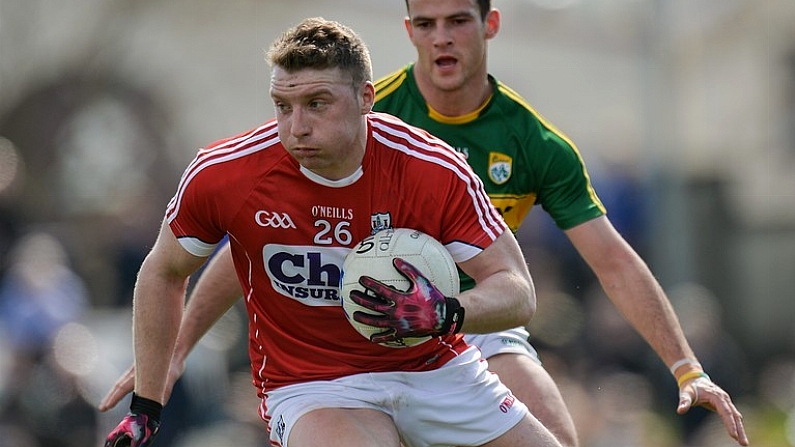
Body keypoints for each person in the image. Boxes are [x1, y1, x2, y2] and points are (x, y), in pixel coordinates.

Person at [102, 1, 749, 446]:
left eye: (456, 21)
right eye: (426, 22)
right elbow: (248, 249)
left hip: (459, 331)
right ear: (408, 32)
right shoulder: (328, 124)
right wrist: (170, 358)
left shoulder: (513, 147)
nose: (442, 37)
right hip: (323, 363)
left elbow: (599, 261)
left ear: (488, 25)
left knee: (558, 431)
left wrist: (686, 367)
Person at [102, 16, 564, 447]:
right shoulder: (226, 174)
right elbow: (166, 270)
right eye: (283, 106)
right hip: (314, 384)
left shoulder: (431, 169)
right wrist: (147, 404)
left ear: (366, 97)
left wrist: (444, 312)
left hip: (435, 367)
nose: (295, 128)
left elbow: (517, 291)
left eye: (316, 104)